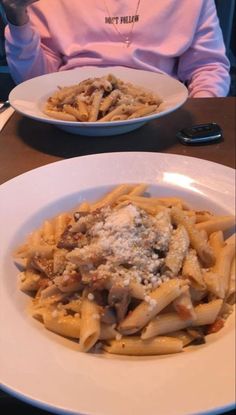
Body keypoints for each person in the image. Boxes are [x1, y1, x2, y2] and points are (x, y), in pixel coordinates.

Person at [0, 0, 231, 97]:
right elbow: (35, 80)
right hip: (71, 116)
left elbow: (208, 67)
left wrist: (199, 112)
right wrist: (17, 18)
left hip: (160, 113)